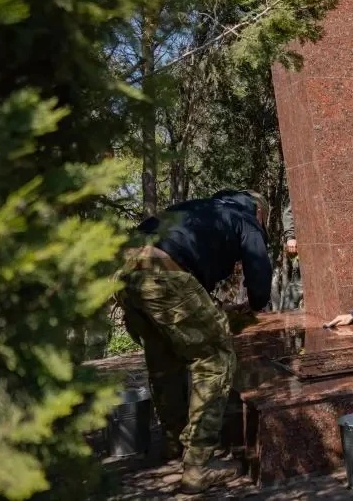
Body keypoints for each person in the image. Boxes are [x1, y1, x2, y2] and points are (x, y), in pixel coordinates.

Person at [117, 190, 272, 494]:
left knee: (165, 360)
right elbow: (259, 276)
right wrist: (255, 304)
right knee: (215, 360)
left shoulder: (206, 208)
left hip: (126, 273)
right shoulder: (246, 218)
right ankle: (198, 466)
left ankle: (174, 441)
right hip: (164, 273)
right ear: (259, 211)